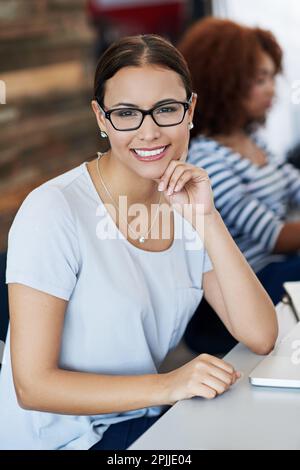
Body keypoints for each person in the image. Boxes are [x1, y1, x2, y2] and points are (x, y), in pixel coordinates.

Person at [0, 34, 277, 450]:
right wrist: (168, 385)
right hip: (64, 440)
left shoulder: (185, 199)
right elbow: (33, 387)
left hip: (137, 422)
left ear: (190, 111)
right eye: (127, 113)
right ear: (101, 117)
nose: (149, 132)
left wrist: (208, 219)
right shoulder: (53, 211)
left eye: (166, 110)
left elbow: (260, 335)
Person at [178, 18, 300, 353]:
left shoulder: (252, 140)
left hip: (280, 271)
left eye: (272, 76)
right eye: (261, 78)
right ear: (224, 82)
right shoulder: (206, 157)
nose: (272, 88)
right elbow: (272, 237)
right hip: (247, 288)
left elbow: (295, 185)